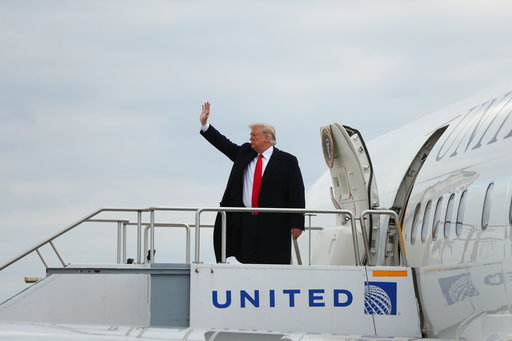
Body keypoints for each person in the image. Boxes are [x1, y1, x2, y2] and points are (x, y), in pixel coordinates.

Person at [199, 101, 305, 264]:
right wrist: (205, 124)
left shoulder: (287, 161)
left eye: (254, 135)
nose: (250, 138)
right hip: (246, 221)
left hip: (274, 223)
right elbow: (224, 144)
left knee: (273, 262)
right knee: (248, 262)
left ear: (267, 138)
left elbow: (296, 192)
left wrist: (298, 223)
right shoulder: (245, 152)